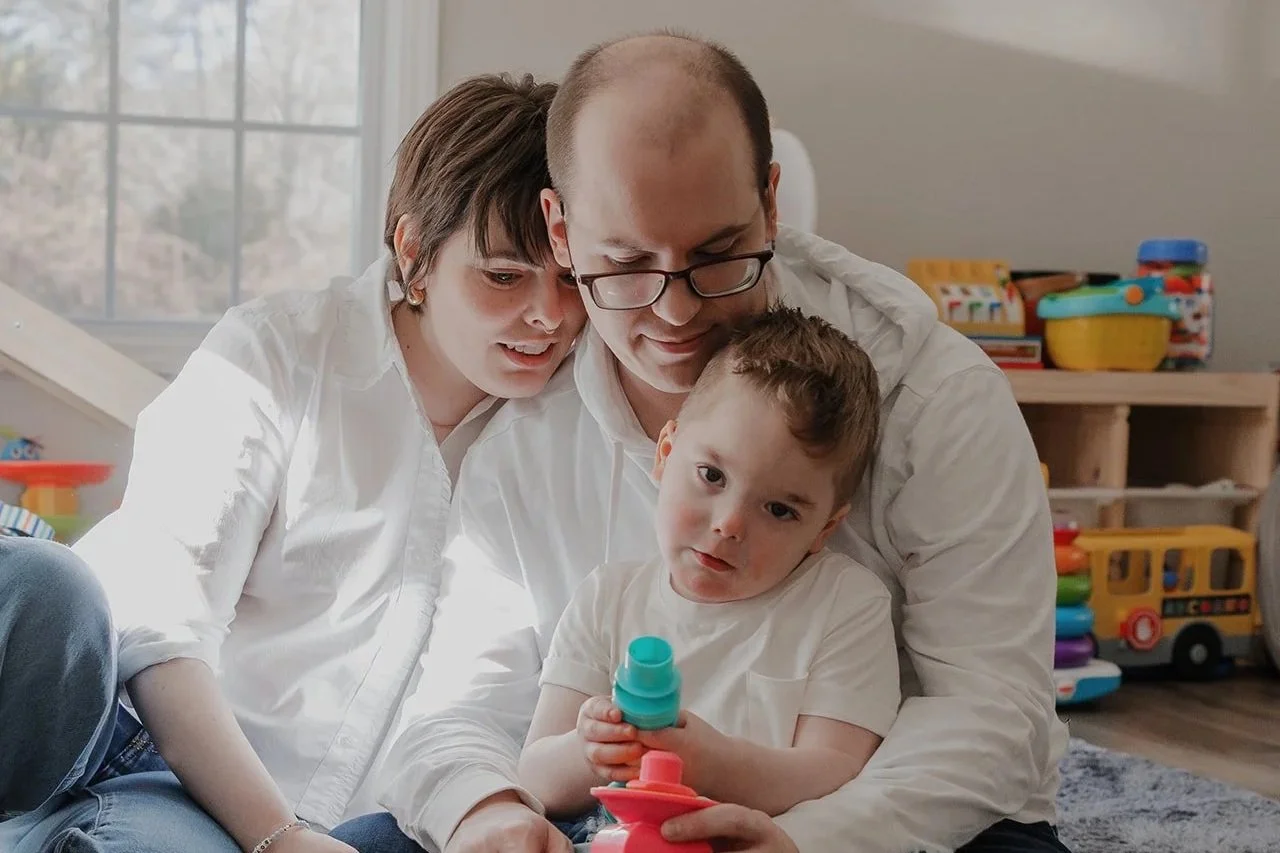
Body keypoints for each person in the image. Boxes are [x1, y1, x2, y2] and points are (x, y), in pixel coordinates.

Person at [367, 30, 1069, 853]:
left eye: (717, 255)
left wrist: (808, 841)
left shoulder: (936, 396)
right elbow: (454, 710)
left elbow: (994, 714)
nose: (674, 314)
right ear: (561, 232)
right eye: (625, 262)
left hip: (884, 817)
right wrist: (490, 814)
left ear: (770, 201)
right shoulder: (531, 419)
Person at [0, 72, 585, 853]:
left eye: (574, 279)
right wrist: (280, 836)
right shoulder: (276, 355)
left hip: (394, 821)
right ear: (415, 253)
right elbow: (163, 631)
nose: (548, 314)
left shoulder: (573, 422)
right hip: (169, 775)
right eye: (504, 276)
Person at [519, 307, 899, 844]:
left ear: (824, 529)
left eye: (780, 511)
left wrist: (710, 761)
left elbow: (837, 772)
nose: (729, 526)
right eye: (712, 475)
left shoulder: (844, 602)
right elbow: (534, 778)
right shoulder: (609, 597)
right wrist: (590, 750)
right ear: (666, 454)